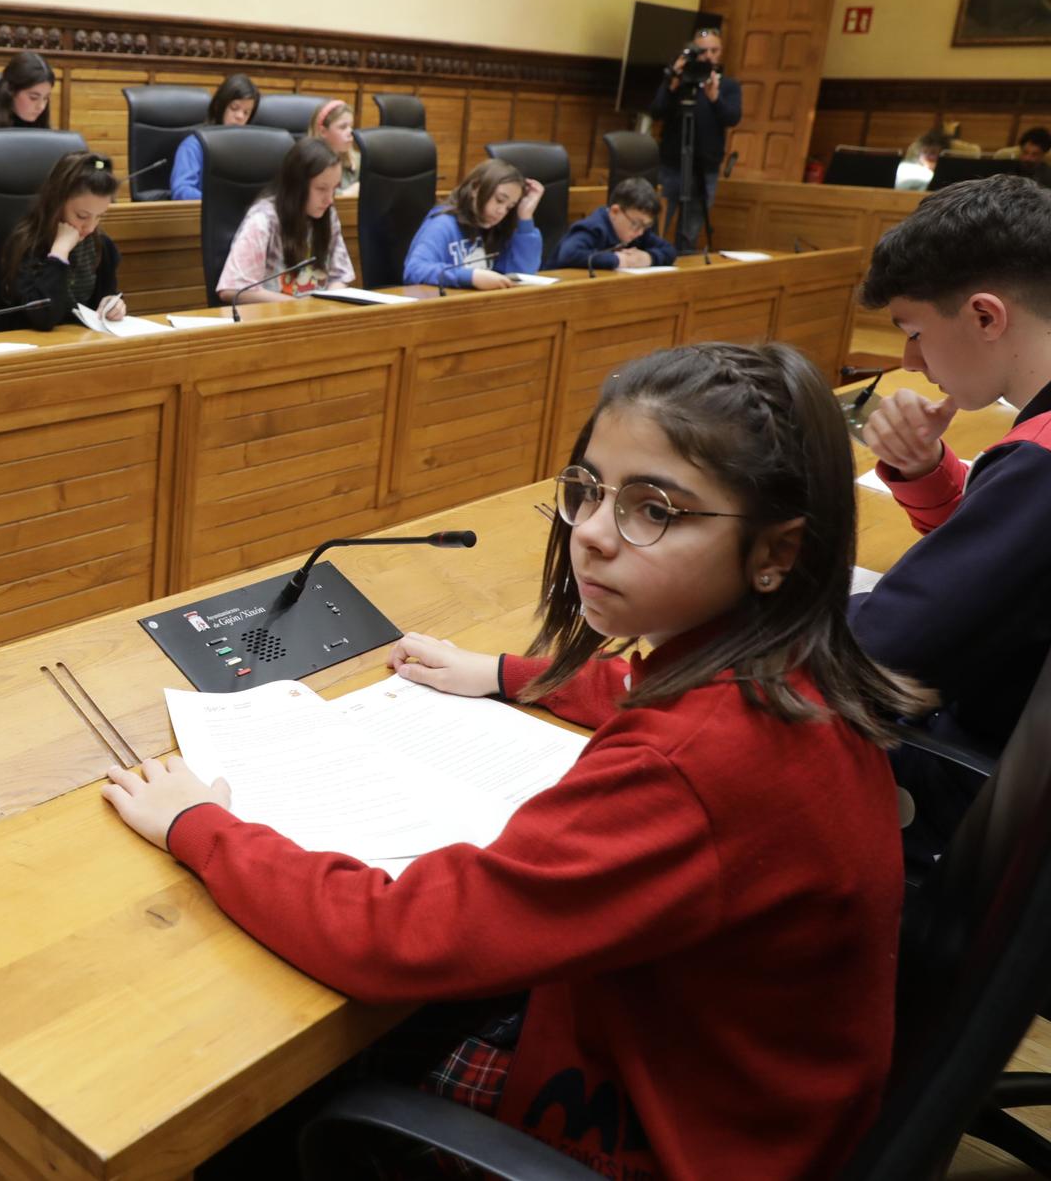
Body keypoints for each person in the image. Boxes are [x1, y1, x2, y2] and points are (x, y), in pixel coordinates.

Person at [103, 340, 925, 1179]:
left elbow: (393, 938)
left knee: (234, 1118)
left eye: (654, 510)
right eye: (589, 491)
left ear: (776, 551)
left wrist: (199, 825)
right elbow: (644, 689)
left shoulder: (692, 767)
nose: (594, 536)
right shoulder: (792, 672)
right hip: (736, 1099)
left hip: (656, 1134)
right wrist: (505, 674)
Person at [850, 175, 1051, 759]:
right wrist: (925, 471)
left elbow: (880, 645)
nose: (910, 360)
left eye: (914, 333)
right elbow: (1006, 571)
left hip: (979, 771)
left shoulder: (1037, 466)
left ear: (986, 316)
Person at [214, 138, 354, 304]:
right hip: (273, 321)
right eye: (322, 189)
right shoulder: (263, 220)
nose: (329, 199)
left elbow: (340, 275)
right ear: (297, 185)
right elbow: (232, 288)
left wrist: (327, 303)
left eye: (334, 188)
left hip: (316, 320)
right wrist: (300, 306)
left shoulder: (328, 215)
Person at [2, 152, 122, 331]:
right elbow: (42, 318)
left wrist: (113, 305)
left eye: (99, 217)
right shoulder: (27, 244)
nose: (90, 227)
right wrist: (59, 253)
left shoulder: (101, 244)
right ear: (57, 202)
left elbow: (105, 298)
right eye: (82, 216)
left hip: (82, 343)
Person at [647, 28, 742, 250]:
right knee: (656, 225)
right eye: (703, 51)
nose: (708, 55)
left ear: (721, 53)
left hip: (704, 167)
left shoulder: (728, 86)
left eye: (714, 50)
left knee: (690, 231)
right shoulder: (678, 83)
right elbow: (656, 111)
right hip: (671, 166)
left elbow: (732, 117)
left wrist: (715, 99)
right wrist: (671, 83)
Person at [403, 158, 545, 290]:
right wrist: (470, 277)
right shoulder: (442, 224)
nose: (502, 211)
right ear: (475, 188)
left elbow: (523, 274)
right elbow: (414, 270)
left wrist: (525, 218)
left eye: (510, 207)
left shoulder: (496, 228)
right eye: (499, 200)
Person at [169, 73, 260, 201]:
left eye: (246, 112)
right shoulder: (194, 145)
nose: (240, 116)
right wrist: (217, 202)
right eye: (234, 108)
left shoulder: (251, 149)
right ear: (219, 106)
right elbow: (181, 190)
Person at [553, 177, 676, 271]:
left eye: (646, 225)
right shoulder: (593, 228)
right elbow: (569, 254)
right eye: (635, 224)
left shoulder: (639, 233)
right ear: (615, 211)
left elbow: (669, 250)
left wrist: (647, 258)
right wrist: (619, 260)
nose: (640, 232)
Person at [0, 52, 54, 129]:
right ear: (11, 91)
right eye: (33, 98)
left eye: (45, 98)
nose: (41, 107)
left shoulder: (43, 131)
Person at [306, 99, 361, 196]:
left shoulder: (358, 160)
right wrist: (346, 193)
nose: (351, 133)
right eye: (343, 127)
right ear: (323, 132)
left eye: (351, 126)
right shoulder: (309, 163)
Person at [894, 127, 952, 192]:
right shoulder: (910, 169)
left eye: (933, 153)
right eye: (924, 152)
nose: (927, 156)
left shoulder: (947, 174)